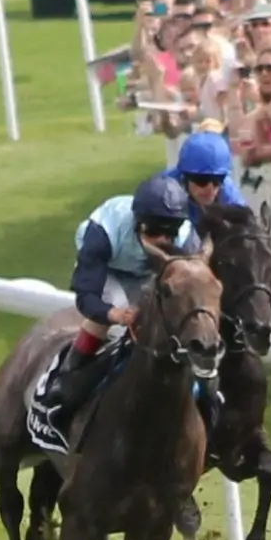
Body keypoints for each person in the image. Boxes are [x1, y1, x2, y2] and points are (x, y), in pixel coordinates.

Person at [28, 174, 201, 451]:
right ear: (138, 221)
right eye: (154, 230)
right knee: (112, 322)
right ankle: (66, 381)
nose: (162, 240)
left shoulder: (186, 239)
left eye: (170, 231)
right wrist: (115, 314)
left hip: (149, 273)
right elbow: (87, 298)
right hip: (109, 270)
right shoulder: (104, 231)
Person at [167, 129, 244, 208]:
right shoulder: (165, 192)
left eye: (218, 179)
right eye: (202, 179)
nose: (210, 189)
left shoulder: (228, 192)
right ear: (184, 175)